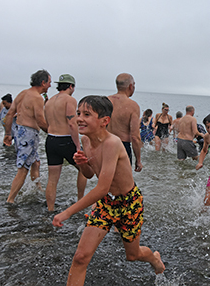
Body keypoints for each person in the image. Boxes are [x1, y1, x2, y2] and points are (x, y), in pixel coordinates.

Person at [52, 96, 165, 285]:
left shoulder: (112, 143)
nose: (79, 118)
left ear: (105, 121)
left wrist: (67, 212)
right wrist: (82, 164)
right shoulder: (86, 141)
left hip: (129, 203)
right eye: (79, 113)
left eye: (87, 114)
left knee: (133, 255)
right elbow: (89, 174)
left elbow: (102, 188)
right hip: (106, 204)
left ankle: (154, 258)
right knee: (80, 257)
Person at [3, 70, 51, 203]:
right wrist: (53, 133)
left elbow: (10, 114)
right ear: (43, 82)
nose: (50, 86)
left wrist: (8, 134)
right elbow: (41, 121)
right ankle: (10, 199)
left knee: (36, 162)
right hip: (29, 134)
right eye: (49, 82)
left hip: (19, 131)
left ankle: (38, 189)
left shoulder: (22, 93)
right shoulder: (37, 97)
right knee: (23, 169)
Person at [44, 74, 87, 211]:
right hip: (65, 139)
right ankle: (80, 201)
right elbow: (72, 124)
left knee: (52, 179)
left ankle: (50, 209)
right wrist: (78, 145)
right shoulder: (70, 100)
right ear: (71, 86)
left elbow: (47, 122)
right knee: (84, 169)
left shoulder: (49, 101)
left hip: (50, 140)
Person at [107, 73, 142, 172]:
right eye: (134, 85)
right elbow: (135, 137)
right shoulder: (133, 106)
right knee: (124, 182)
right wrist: (138, 160)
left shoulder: (106, 101)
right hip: (122, 147)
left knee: (106, 178)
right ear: (130, 86)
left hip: (105, 144)